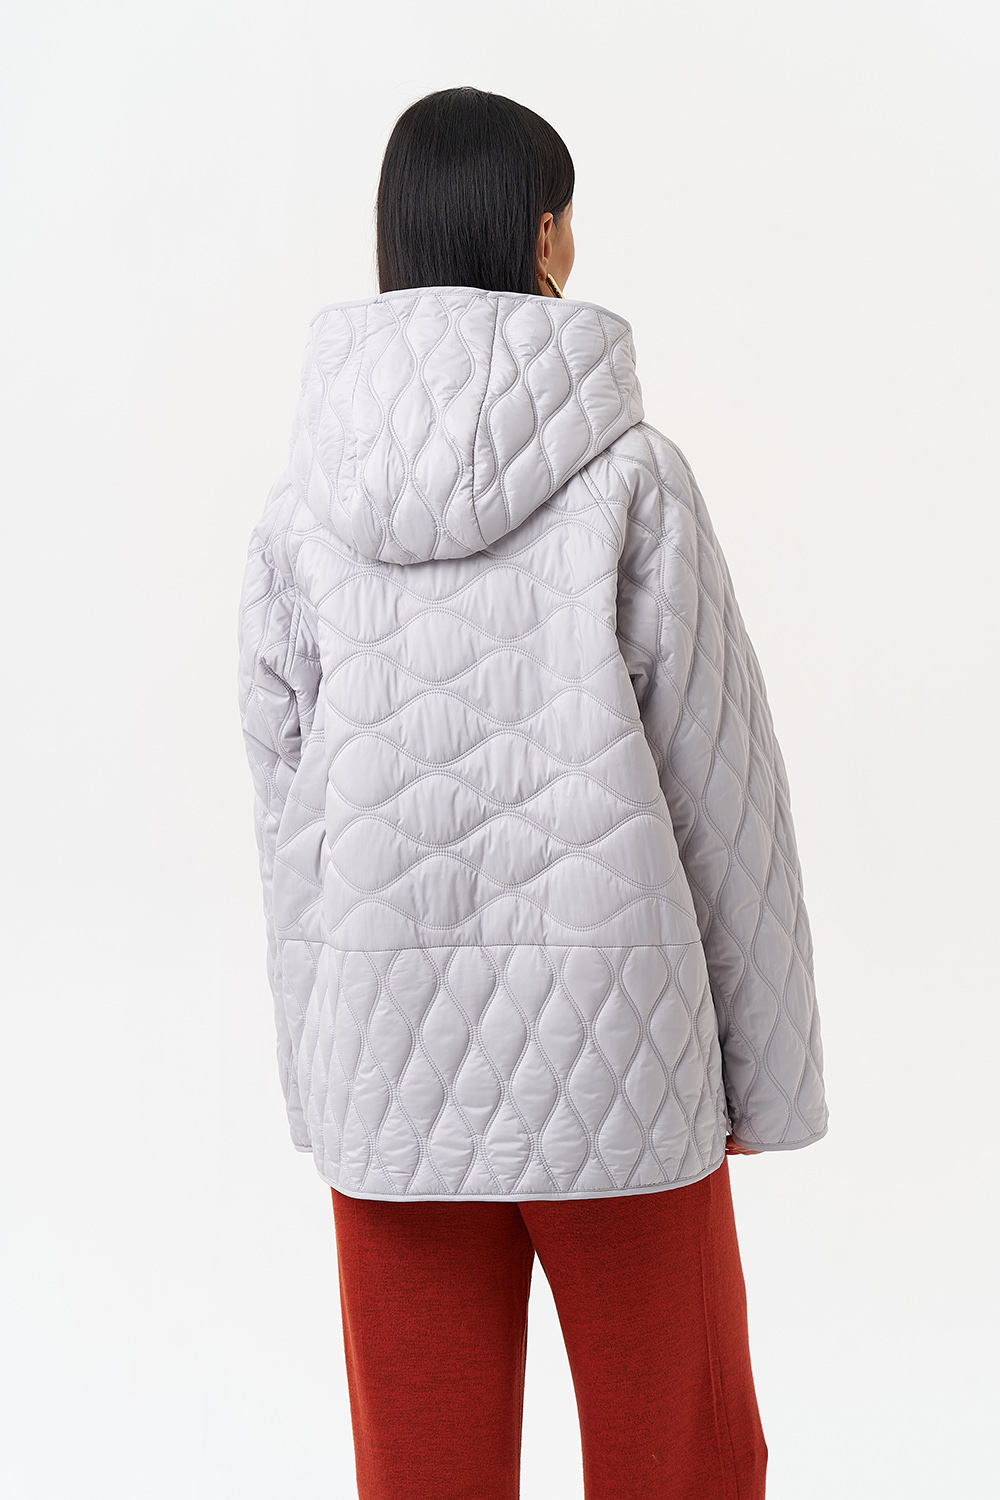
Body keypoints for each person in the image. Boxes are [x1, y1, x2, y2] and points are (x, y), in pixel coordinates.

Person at [237, 85, 829, 1500]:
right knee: (683, 1465)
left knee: (423, 1475)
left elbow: (287, 828)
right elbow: (724, 795)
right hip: (625, 1060)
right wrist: (767, 1076)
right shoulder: (636, 482)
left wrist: (323, 1079)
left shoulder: (298, 513)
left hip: (389, 1067)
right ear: (547, 235)